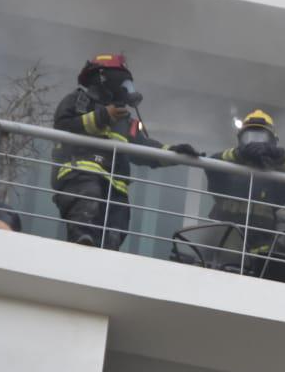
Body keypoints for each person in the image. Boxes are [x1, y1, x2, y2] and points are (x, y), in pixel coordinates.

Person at [51, 53, 199, 250]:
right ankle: (82, 246)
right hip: (80, 175)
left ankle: (105, 257)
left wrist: (174, 153)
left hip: (115, 187)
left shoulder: (126, 121)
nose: (126, 89)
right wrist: (103, 116)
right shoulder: (79, 101)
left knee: (117, 224)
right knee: (87, 205)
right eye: (122, 82)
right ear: (102, 78)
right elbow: (63, 125)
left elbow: (144, 149)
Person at [205, 109, 285, 260]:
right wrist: (237, 155)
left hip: (258, 260)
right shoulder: (226, 174)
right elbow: (211, 164)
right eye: (249, 137)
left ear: (272, 143)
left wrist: (282, 157)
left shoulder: (275, 182)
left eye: (262, 138)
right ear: (240, 141)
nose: (255, 143)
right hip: (219, 254)